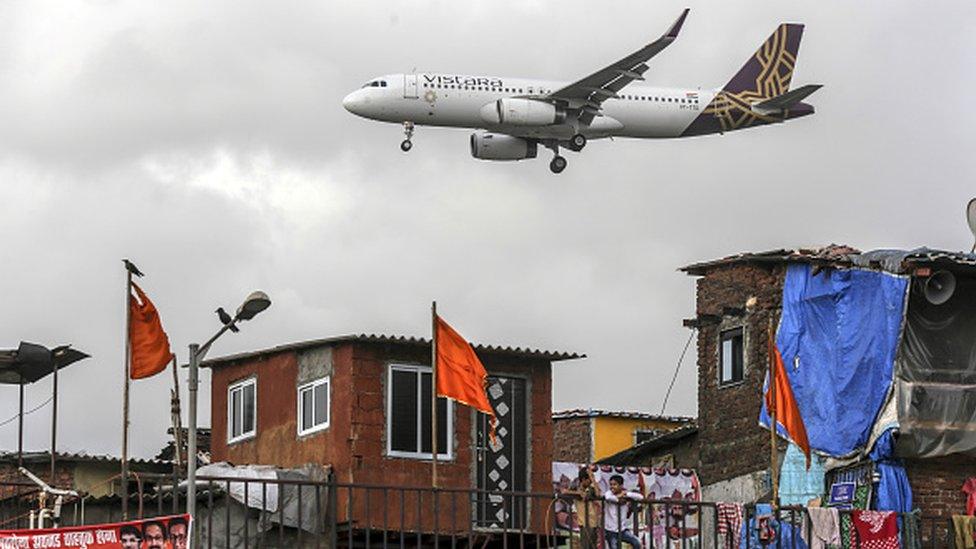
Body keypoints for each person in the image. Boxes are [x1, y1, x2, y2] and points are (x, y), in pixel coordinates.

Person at [603, 474, 644, 549]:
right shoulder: (609, 493)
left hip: (622, 530)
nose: (612, 486)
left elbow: (641, 497)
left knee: (637, 542)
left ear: (621, 486)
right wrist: (619, 496)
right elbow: (608, 497)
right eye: (611, 484)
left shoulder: (625, 494)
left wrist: (626, 494)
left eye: (614, 484)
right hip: (611, 531)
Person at [570, 468, 602, 549]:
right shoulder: (576, 487)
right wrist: (578, 493)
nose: (591, 481)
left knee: (593, 546)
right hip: (584, 523)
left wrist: (593, 479)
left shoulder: (591, 489)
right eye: (589, 479)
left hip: (593, 522)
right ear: (583, 479)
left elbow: (598, 494)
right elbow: (563, 491)